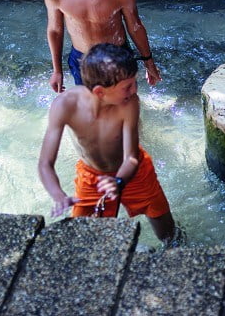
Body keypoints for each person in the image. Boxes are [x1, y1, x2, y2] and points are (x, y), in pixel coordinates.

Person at [38, 43, 177, 243]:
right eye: (127, 86)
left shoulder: (129, 103)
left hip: (134, 173)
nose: (135, 90)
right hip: (92, 176)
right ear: (100, 92)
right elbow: (45, 163)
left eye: (135, 82)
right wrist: (58, 194)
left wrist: (119, 181)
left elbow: (131, 157)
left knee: (167, 232)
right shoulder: (65, 106)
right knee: (84, 238)